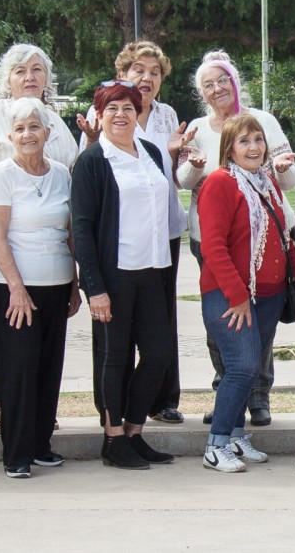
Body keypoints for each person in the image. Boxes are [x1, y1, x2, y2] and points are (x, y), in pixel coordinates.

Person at [0, 42, 80, 436]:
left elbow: (69, 170)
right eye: (20, 71)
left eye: (37, 70)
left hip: (45, 237)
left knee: (41, 333)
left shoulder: (55, 121)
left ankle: (37, 408)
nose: (30, 77)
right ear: (6, 79)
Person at [178, 51, 295, 428]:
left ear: (234, 81)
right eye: (208, 85)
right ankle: (228, 393)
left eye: (222, 80)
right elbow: (184, 181)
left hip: (264, 239)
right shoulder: (198, 128)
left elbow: (288, 180)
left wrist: (283, 168)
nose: (217, 89)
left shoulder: (263, 121)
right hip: (213, 240)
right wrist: (193, 166)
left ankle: (257, 396)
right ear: (201, 93)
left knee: (261, 325)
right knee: (226, 323)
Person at [77, 41, 190, 425]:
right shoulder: (96, 149)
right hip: (117, 261)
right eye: (138, 70)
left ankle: (142, 420)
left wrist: (178, 156)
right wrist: (93, 285)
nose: (147, 77)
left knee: (158, 345)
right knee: (115, 348)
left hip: (157, 254)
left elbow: (170, 183)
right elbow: (84, 219)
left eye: (154, 72)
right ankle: (114, 428)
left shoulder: (158, 136)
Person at [69, 80, 177, 470]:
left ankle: (133, 431)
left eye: (127, 108)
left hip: (153, 271)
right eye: (111, 108)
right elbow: (81, 228)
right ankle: (113, 439)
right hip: (114, 276)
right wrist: (94, 287)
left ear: (137, 113)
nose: (120, 115)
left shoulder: (150, 152)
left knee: (158, 355)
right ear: (99, 115)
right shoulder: (92, 161)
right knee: (115, 357)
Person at [0, 98, 81, 478]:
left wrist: (74, 284)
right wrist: (17, 288)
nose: (28, 134)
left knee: (48, 368)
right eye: (20, 128)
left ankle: (41, 445)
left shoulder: (61, 173)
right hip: (13, 288)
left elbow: (68, 232)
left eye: (34, 127)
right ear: (10, 136)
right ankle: (16, 453)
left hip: (56, 283)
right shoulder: (2, 174)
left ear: (47, 133)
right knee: (19, 370)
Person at [197, 113, 295, 472]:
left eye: (258, 140)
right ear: (230, 148)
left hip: (270, 295)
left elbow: (285, 237)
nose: (254, 147)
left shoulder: (267, 183)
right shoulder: (220, 183)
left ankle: (236, 436)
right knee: (241, 366)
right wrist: (237, 294)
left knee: (253, 367)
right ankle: (216, 445)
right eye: (244, 141)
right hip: (230, 296)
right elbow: (213, 247)